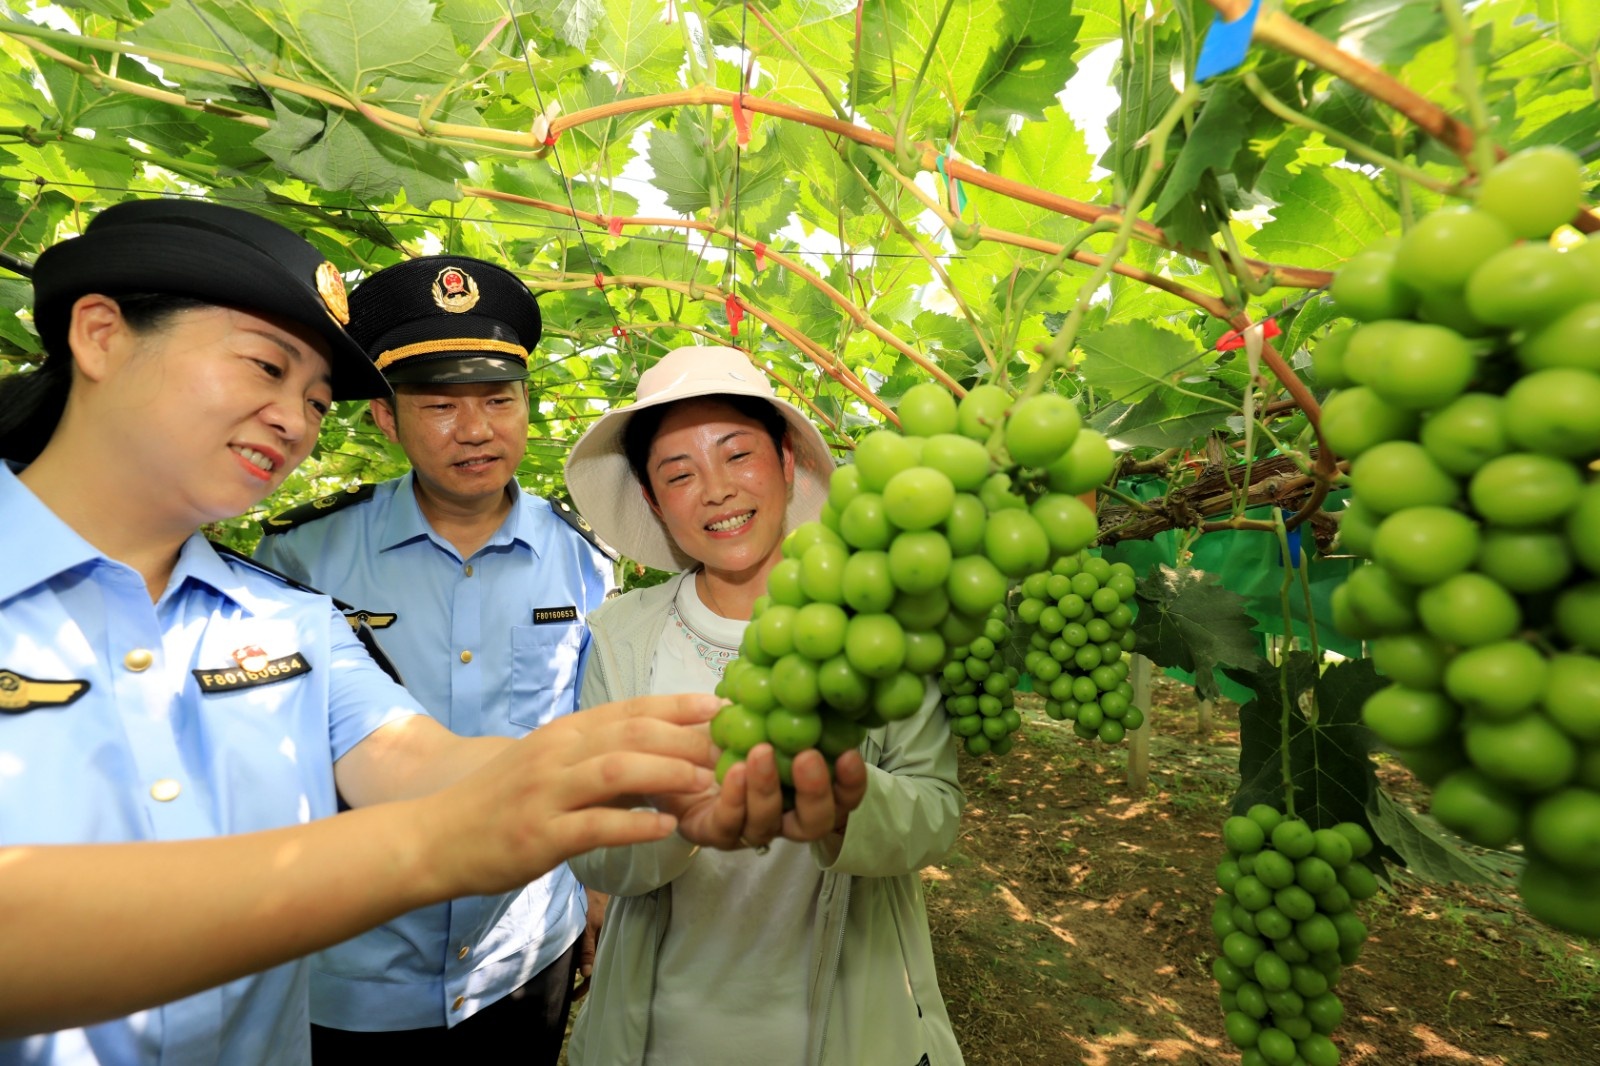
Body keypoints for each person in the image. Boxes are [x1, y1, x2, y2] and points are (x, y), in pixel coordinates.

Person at [0, 199, 721, 1065]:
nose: (295, 421)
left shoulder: (287, 619)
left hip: (510, 963)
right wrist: (434, 847)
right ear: (102, 334)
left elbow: (413, 758)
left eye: (312, 398)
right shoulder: (309, 559)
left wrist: (659, 771)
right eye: (265, 368)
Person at [561, 345, 966, 1066]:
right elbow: (596, 854)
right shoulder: (619, 637)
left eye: (737, 455)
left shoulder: (875, 622)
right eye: (678, 474)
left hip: (851, 1031)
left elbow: (935, 814)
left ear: (785, 463)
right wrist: (679, 816)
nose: (714, 490)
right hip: (664, 1038)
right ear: (654, 503)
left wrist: (846, 805)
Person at [253, 255, 613, 1058]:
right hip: (354, 964)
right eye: (440, 405)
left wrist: (595, 885)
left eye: (499, 400)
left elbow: (587, 725)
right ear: (386, 420)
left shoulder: (587, 562)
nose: (476, 430)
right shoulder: (304, 559)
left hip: (522, 951)